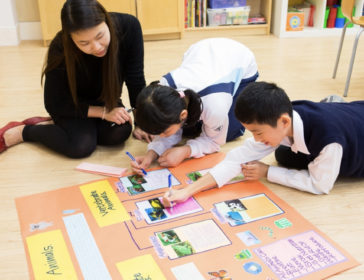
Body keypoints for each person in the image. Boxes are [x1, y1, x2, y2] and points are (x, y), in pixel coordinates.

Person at [162, 81, 364, 206]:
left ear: (284, 122)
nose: (256, 139)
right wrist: (187, 191)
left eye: (257, 132)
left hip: (351, 147)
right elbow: (236, 159)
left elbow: (320, 185)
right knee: (283, 155)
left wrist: (267, 172)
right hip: (351, 114)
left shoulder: (329, 142)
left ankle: (335, 110)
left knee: (291, 160)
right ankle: (334, 107)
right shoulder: (286, 115)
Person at [0, 0, 152, 158]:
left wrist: (141, 123)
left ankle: (63, 129)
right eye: (84, 43)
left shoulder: (129, 27)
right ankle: (25, 131)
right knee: (81, 146)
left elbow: (136, 79)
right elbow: (54, 103)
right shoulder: (60, 47)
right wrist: (103, 113)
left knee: (119, 132)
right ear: (70, 38)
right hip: (71, 105)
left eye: (100, 36)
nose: (97, 47)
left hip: (103, 100)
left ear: (106, 20)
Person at [130, 38, 258, 173]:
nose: (162, 136)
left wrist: (186, 151)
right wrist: (152, 153)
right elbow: (166, 122)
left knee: (230, 132)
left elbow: (215, 142)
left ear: (183, 114)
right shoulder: (162, 87)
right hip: (202, 51)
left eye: (164, 132)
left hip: (241, 61)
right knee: (183, 126)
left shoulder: (216, 106)